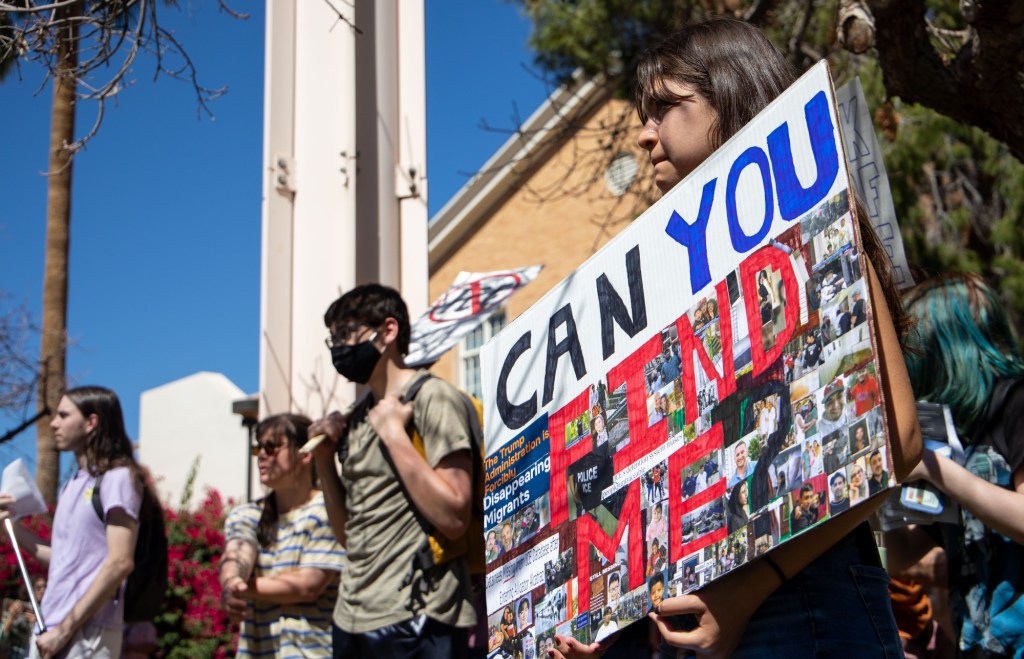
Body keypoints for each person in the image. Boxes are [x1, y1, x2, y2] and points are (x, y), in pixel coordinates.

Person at [552, 17, 922, 659]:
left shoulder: (810, 228)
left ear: (729, 96)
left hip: (805, 610)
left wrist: (748, 594)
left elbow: (896, 441)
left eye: (665, 108)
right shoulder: (660, 290)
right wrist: (607, 630)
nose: (644, 135)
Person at [308, 284, 477, 657]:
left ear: (388, 331)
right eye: (332, 338)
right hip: (352, 616)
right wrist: (324, 459)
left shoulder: (432, 398)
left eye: (346, 334)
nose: (338, 347)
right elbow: (349, 536)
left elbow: (454, 515)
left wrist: (393, 435)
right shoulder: (356, 419)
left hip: (417, 613)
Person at [887, 273, 1024, 657]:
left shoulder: (1015, 400)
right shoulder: (950, 431)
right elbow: (908, 561)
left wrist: (936, 470)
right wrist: (887, 494)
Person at [0, 387, 145, 659]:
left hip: (88, 633)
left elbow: (120, 562)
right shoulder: (73, 484)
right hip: (50, 628)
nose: (54, 423)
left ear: (91, 422)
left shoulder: (118, 478)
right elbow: (62, 558)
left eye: (64, 415)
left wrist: (65, 630)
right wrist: (12, 528)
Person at [218, 413, 344, 658]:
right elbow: (238, 552)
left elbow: (308, 585)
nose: (262, 455)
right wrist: (231, 581)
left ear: (305, 454)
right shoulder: (247, 514)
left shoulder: (329, 510)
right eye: (258, 448)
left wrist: (242, 588)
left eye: (272, 446)